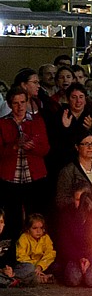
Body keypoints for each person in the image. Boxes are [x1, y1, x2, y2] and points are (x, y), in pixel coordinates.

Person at [0, 87, 51, 238]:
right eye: (16, 103)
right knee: (11, 217)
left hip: (34, 176)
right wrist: (15, 146)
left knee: (36, 215)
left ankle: (38, 250)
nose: (20, 106)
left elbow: (46, 149)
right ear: (9, 104)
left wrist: (32, 147)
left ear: (27, 102)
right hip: (10, 177)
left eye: (23, 102)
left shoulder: (37, 121)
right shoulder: (2, 123)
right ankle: (13, 253)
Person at [56, 181, 92, 288]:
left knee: (91, 279)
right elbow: (65, 242)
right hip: (76, 257)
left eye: (82, 199)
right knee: (73, 279)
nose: (80, 203)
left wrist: (90, 259)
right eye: (77, 199)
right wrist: (79, 258)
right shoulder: (67, 215)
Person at [0, 207, 37, 288]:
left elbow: (11, 258)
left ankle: (10, 281)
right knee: (32, 278)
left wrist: (9, 269)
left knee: (29, 267)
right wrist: (1, 270)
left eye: (1, 222)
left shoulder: (8, 238)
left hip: (6, 271)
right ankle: (15, 282)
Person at [15, 213, 56, 285]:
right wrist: (35, 268)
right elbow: (21, 257)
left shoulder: (45, 237)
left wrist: (40, 266)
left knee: (57, 266)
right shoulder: (23, 238)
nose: (38, 231)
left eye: (41, 228)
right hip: (29, 266)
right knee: (29, 269)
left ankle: (39, 277)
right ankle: (40, 277)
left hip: (42, 266)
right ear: (28, 229)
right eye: (35, 228)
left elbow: (50, 253)